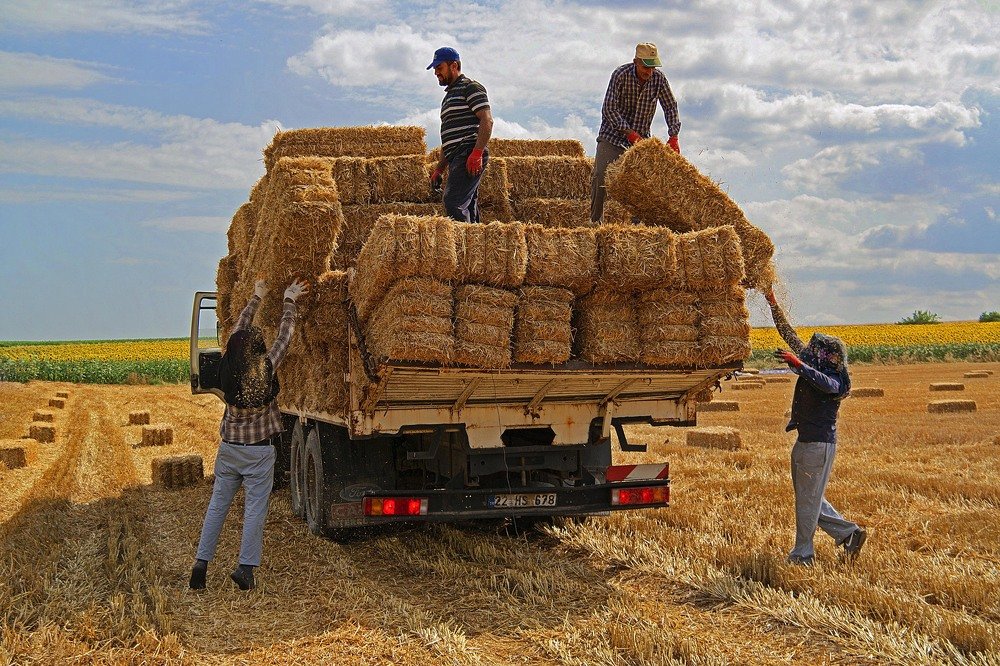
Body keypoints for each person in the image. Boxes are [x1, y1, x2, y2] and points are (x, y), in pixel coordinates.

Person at [190, 277, 307, 591]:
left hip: (229, 449)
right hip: (259, 452)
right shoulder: (266, 366)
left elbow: (237, 329)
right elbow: (286, 335)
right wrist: (288, 300)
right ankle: (245, 569)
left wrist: (256, 296)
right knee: (255, 509)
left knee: (217, 506)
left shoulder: (226, 368)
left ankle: (201, 564)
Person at [766, 289, 867, 566]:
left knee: (807, 501)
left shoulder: (834, 379)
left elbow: (823, 382)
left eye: (813, 352)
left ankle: (803, 554)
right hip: (805, 442)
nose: (808, 352)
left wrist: (798, 365)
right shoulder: (814, 362)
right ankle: (849, 533)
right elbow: (788, 333)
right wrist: (773, 302)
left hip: (818, 445)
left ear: (826, 357)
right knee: (809, 498)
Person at [591, 42, 681, 224]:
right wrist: (629, 133)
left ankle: (637, 228)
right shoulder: (620, 75)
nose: (649, 71)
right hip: (613, 135)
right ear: (635, 62)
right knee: (601, 175)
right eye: (645, 67)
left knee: (643, 184)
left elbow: (670, 106)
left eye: (652, 67)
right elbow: (609, 109)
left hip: (640, 139)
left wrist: (673, 135)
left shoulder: (659, 80)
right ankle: (595, 222)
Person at [427, 46, 494, 223]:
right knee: (468, 206)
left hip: (467, 152)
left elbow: (487, 120)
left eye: (439, 68)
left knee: (453, 202)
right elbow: (448, 138)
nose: (436, 73)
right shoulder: (447, 98)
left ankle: (461, 248)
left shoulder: (471, 87)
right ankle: (475, 245)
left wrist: (477, 152)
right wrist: (439, 168)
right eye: (435, 69)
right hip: (457, 154)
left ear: (454, 66)